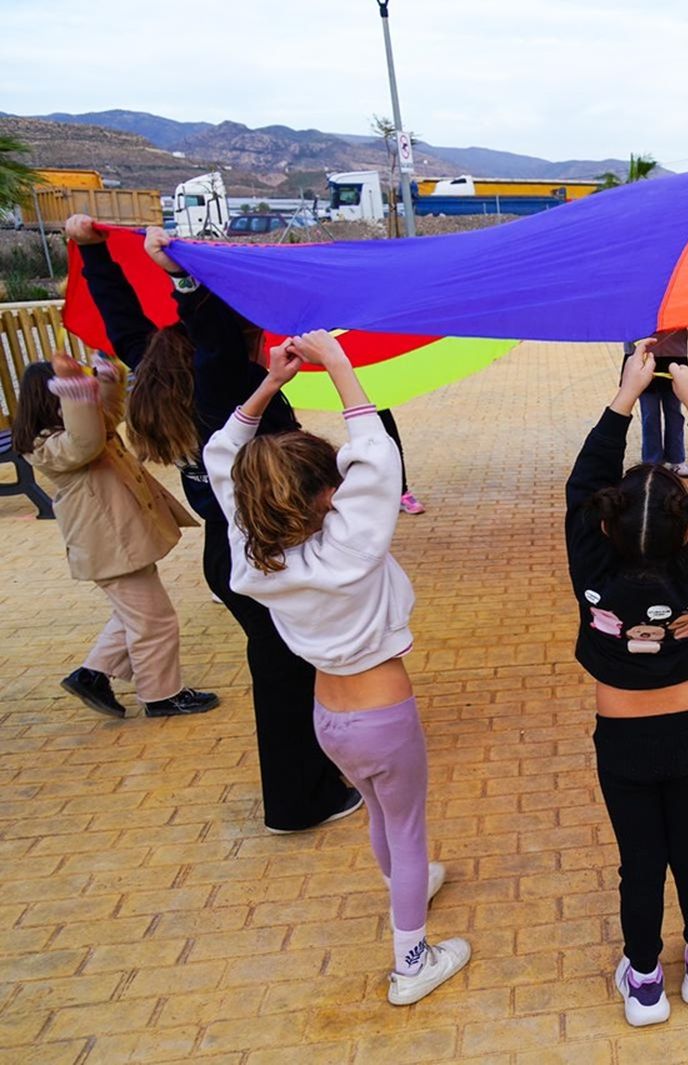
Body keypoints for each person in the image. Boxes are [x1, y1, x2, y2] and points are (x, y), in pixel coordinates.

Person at [204, 330, 470, 1006]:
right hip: (384, 716)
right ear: (325, 494)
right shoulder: (348, 548)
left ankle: (407, 884)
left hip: (329, 719)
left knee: (385, 817)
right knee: (405, 827)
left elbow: (222, 456)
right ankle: (412, 959)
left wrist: (270, 384)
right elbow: (377, 459)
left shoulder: (256, 556)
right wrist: (340, 366)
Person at [67, 217, 356, 832]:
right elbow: (215, 339)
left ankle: (314, 780)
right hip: (262, 553)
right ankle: (298, 802)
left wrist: (94, 253)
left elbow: (123, 320)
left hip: (235, 555)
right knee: (284, 676)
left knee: (286, 669)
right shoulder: (226, 385)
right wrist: (185, 280)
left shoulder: (161, 371)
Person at [566, 340, 688, 1027]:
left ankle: (644, 979)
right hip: (687, 738)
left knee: (639, 862)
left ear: (605, 525)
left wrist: (623, 400)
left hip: (622, 743)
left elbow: (582, 485)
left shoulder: (593, 566)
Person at [15, 348, 217, 719]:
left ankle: (91, 675)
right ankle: (161, 695)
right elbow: (86, 441)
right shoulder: (50, 447)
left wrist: (107, 379)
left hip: (119, 542)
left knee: (134, 615)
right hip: (109, 546)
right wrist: (76, 385)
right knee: (154, 620)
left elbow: (104, 417)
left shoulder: (80, 430)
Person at [624, 326, 688, 477]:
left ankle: (677, 459)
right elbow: (626, 330)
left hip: (674, 358)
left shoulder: (678, 302)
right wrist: (631, 352)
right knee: (650, 414)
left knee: (674, 413)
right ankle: (652, 461)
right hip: (645, 359)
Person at [377, 409, 425, 514]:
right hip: (354, 412)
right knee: (364, 451)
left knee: (394, 446)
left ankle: (402, 493)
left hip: (377, 404)